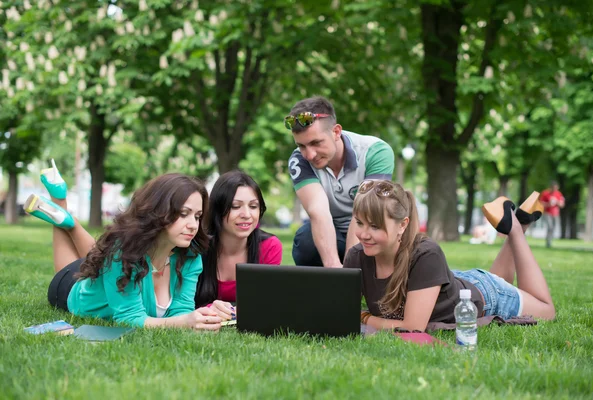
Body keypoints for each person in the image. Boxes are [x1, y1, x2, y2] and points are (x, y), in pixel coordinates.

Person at [24, 160, 222, 330]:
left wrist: (192, 320)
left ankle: (67, 218)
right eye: (183, 214)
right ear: (159, 210)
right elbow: (129, 319)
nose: (193, 225)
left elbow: (182, 311)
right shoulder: (123, 253)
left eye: (197, 216)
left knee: (100, 255)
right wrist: (183, 322)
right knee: (70, 268)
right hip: (71, 287)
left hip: (111, 265)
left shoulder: (191, 258)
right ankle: (61, 207)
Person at [343, 180, 555, 332]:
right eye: (359, 223)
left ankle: (516, 228)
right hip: (452, 284)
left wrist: (365, 317)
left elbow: (412, 327)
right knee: (500, 279)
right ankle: (520, 220)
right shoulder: (357, 256)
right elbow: (340, 311)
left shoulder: (425, 254)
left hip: (488, 296)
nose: (363, 234)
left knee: (547, 311)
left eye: (375, 226)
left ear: (402, 225)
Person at [286, 96, 394, 268]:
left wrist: (348, 271)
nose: (310, 154)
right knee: (305, 241)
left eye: (316, 143)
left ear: (336, 132)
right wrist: (334, 270)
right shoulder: (299, 160)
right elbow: (318, 212)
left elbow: (362, 213)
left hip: (370, 227)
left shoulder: (376, 151)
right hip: (332, 232)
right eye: (302, 146)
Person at [194, 171, 282, 319]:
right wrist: (210, 309)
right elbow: (183, 304)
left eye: (253, 206)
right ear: (218, 210)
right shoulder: (197, 248)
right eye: (235, 206)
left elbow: (267, 302)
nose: (247, 214)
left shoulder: (269, 247)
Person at [539, 181, 565, 248]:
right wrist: (548, 204)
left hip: (556, 214)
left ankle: (550, 241)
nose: (554, 189)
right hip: (547, 213)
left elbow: (562, 204)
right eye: (553, 188)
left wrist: (557, 202)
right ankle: (548, 242)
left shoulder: (559, 194)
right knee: (550, 227)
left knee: (553, 228)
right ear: (551, 187)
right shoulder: (545, 193)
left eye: (556, 188)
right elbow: (541, 203)